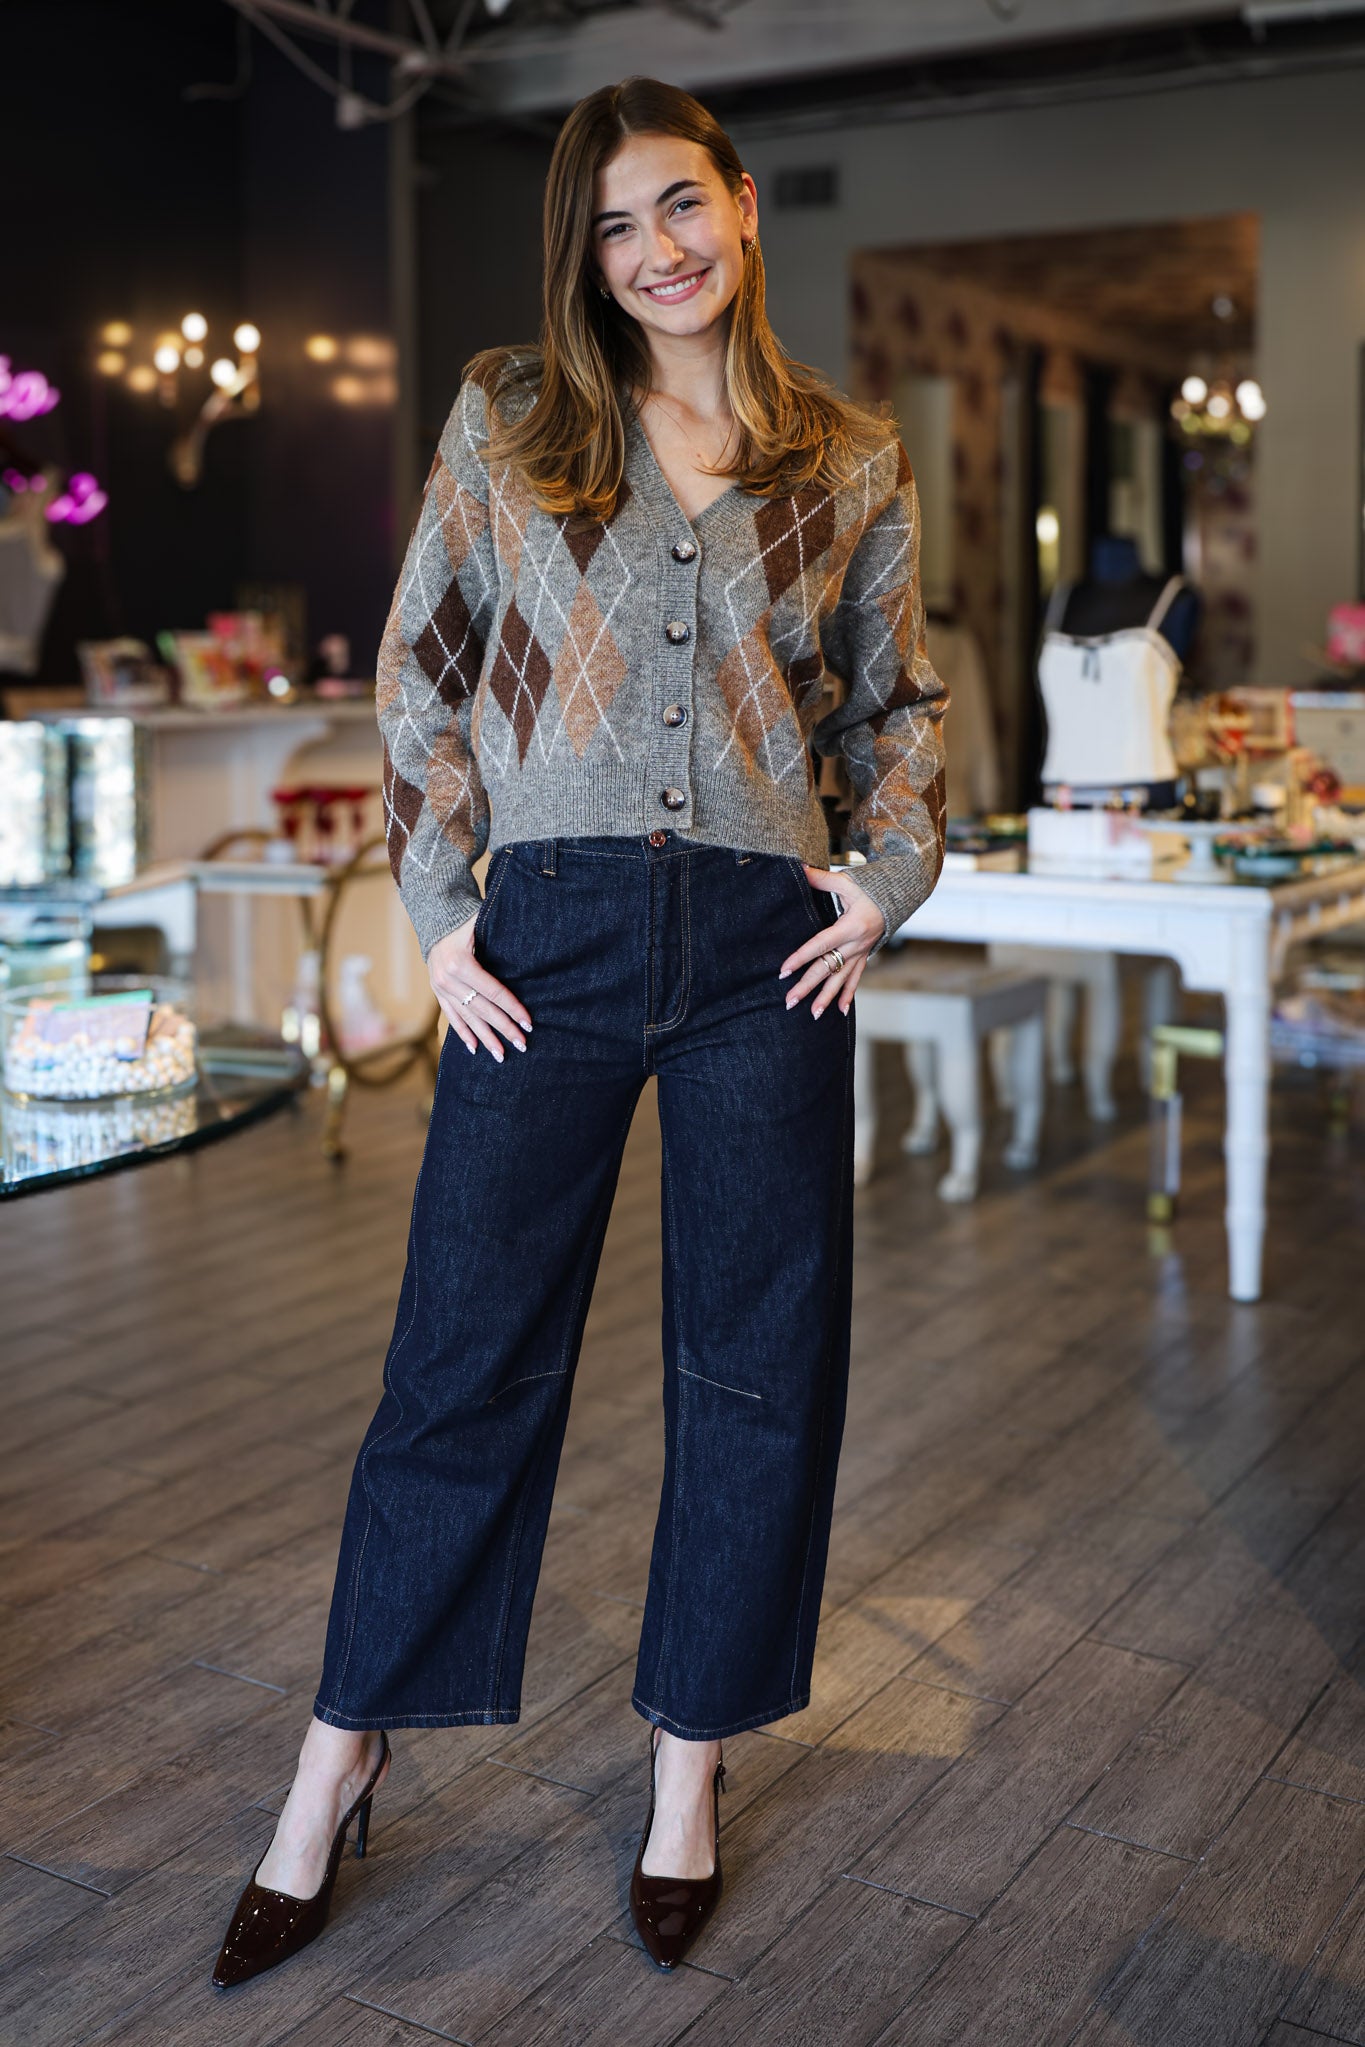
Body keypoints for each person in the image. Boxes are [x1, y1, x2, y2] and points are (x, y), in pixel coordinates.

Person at [212, 73, 947, 1989]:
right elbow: (423, 669)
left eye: (680, 205)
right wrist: (442, 909)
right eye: (615, 225)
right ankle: (339, 1757)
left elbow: (894, 705)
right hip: (544, 945)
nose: (656, 251)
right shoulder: (512, 419)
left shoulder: (849, 456)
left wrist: (884, 879)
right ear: (584, 254)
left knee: (755, 1367)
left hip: (765, 953)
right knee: (459, 1359)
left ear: (744, 203)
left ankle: (687, 1766)